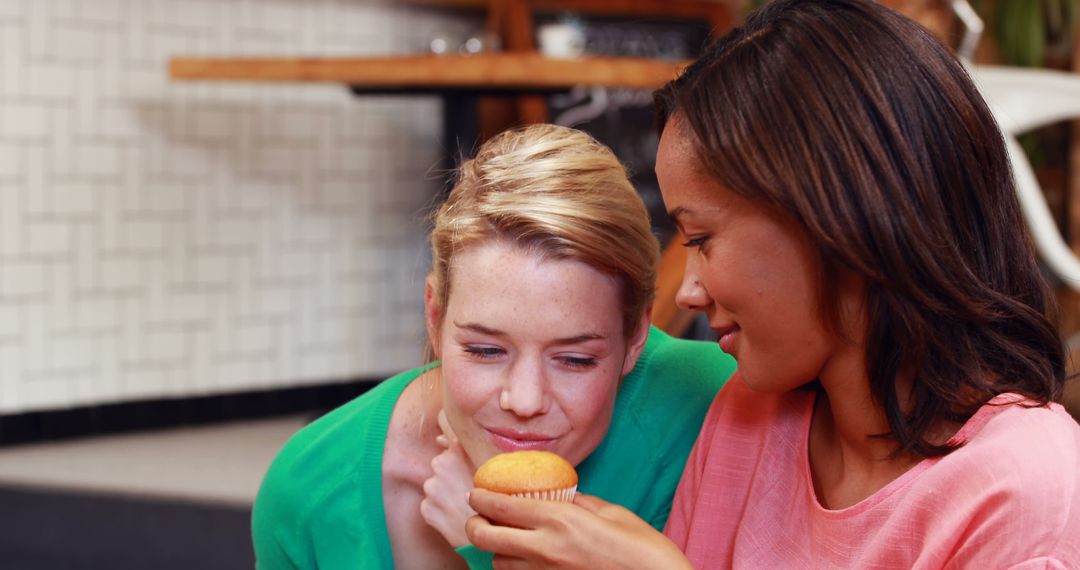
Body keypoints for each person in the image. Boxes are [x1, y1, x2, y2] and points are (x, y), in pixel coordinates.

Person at [464, 0, 1080, 567]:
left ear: (834, 218)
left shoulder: (1024, 487)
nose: (689, 292)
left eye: (701, 239)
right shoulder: (746, 417)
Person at [250, 124, 736, 569]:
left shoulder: (717, 406)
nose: (524, 401)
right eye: (485, 351)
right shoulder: (309, 492)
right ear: (435, 316)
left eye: (575, 359)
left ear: (635, 338)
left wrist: (484, 540)